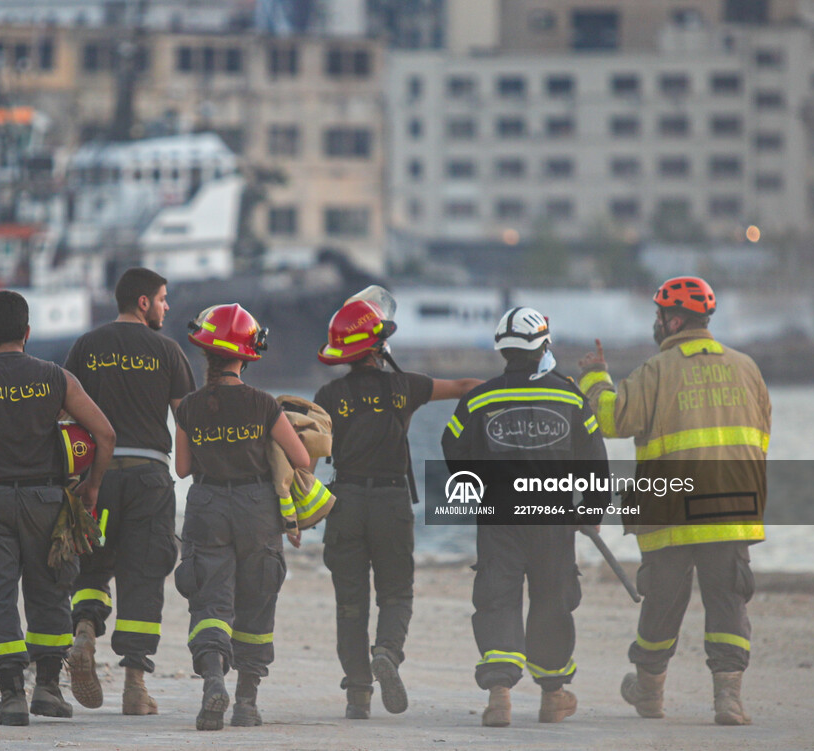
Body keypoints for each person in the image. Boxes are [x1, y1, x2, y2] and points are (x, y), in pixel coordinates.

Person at [577, 276, 771, 726]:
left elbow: (611, 418)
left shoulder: (656, 372)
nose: (656, 323)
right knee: (728, 603)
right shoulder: (747, 368)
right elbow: (761, 434)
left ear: (674, 319)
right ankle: (729, 700)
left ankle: (649, 694)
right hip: (731, 508)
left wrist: (594, 377)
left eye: (659, 315)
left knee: (662, 602)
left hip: (669, 509)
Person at [0, 290, 115, 726]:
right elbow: (105, 434)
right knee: (50, 588)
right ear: (28, 332)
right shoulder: (56, 378)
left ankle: (12, 694)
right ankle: (49, 690)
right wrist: (91, 488)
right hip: (47, 500)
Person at [314, 293, 481, 719]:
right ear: (378, 346)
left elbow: (307, 457)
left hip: (344, 501)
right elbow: (465, 388)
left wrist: (294, 515)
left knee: (350, 603)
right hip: (391, 501)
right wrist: (511, 393)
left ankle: (357, 694)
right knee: (396, 593)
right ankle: (386, 651)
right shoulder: (405, 386)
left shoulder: (328, 394)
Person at [441, 306, 609, 727]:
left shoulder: (479, 398)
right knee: (552, 597)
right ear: (543, 347)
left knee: (497, 596)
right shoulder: (570, 396)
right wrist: (591, 511)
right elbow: (596, 464)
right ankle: (552, 695)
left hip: (499, 519)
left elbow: (452, 448)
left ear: (504, 350)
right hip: (553, 519)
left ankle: (500, 694)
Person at [64, 267, 196, 715]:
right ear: (143, 302)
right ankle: (135, 686)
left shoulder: (86, 346)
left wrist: (76, 481)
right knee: (142, 574)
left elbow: (65, 417)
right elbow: (188, 421)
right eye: (162, 298)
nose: (166, 306)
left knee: (92, 564)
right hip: (148, 481)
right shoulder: (168, 350)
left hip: (95, 479)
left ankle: (83, 632)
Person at [175, 303, 310, 731]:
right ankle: (247, 703)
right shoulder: (264, 404)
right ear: (245, 355)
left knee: (210, 600)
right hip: (257, 510)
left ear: (206, 354)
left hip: (207, 505)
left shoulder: (190, 407)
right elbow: (302, 458)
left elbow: (181, 468)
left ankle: (213, 681)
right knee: (257, 599)